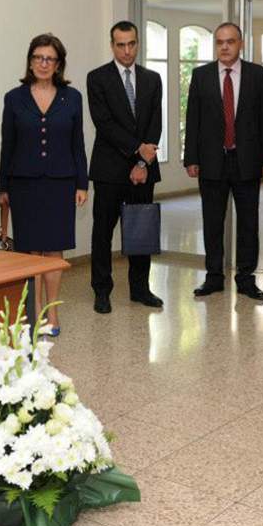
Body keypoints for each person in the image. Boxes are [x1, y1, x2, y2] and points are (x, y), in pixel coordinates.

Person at [0, 34, 88, 335]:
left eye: (50, 58)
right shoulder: (14, 98)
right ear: (30, 61)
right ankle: (33, 312)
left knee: (53, 251)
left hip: (61, 184)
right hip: (24, 185)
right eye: (38, 57)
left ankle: (53, 313)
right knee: (30, 252)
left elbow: (77, 144)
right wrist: (2, 187)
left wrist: (82, 183)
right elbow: (7, 145)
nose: (43, 63)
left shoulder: (72, 97)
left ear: (59, 64)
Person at [183, 22, 263, 301]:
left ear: (240, 44)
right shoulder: (201, 75)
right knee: (212, 223)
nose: (224, 47)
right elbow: (193, 118)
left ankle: (246, 279)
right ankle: (213, 277)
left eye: (230, 41)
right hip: (211, 161)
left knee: (248, 223)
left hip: (247, 160)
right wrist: (191, 158)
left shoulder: (257, 75)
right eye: (219, 42)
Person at [86, 21, 163, 314]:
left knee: (141, 230)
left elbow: (155, 122)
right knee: (102, 233)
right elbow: (104, 123)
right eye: (121, 45)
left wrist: (143, 161)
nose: (127, 50)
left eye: (131, 44)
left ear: (138, 44)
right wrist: (136, 149)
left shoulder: (152, 79)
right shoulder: (97, 78)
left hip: (144, 170)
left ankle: (140, 289)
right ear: (112, 46)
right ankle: (102, 291)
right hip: (109, 169)